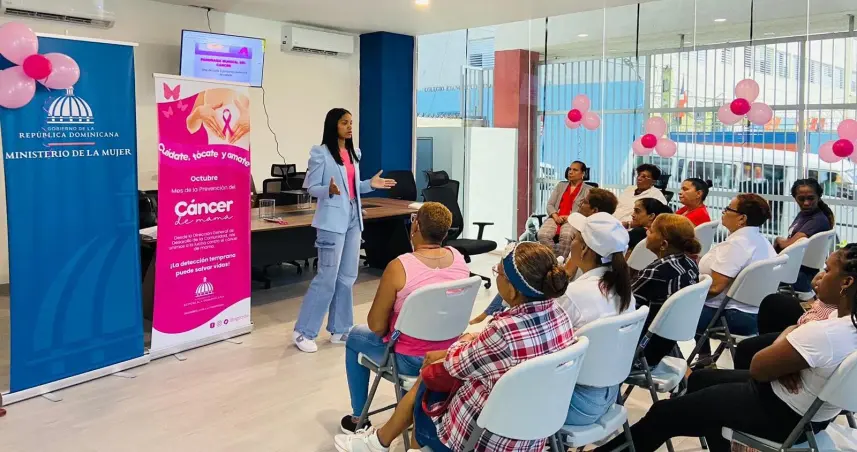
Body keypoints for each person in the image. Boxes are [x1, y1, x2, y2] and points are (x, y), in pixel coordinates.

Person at [595, 244, 857, 452]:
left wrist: (789, 337)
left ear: (846, 283)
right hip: (811, 414)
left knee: (663, 414)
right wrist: (789, 350)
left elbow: (758, 368)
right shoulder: (844, 324)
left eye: (827, 270)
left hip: (781, 412)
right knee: (699, 380)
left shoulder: (825, 333)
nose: (820, 275)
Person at [334, 242, 575, 452]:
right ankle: (378, 441)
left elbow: (454, 366)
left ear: (511, 290)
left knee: (428, 380)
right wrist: (469, 342)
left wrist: (459, 345)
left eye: (498, 272)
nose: (496, 275)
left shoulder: (503, 331)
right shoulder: (560, 316)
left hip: (480, 440)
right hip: (534, 433)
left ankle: (379, 442)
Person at [340, 202, 470, 434]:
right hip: (449, 353)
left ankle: (359, 418)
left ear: (416, 226)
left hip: (409, 359)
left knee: (354, 337)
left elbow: (376, 326)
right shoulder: (459, 259)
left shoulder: (399, 267)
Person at [293, 108, 397, 353]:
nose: (350, 127)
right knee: (327, 277)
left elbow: (353, 187)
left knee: (347, 277)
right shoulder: (320, 153)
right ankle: (303, 331)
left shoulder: (353, 153)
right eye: (344, 123)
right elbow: (311, 187)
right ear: (333, 125)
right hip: (331, 221)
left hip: (353, 218)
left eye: (351, 122)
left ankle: (340, 329)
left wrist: (370, 184)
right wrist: (327, 190)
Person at [469, 188, 619, 325]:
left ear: (584, 249)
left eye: (575, 239)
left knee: (517, 274)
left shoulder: (572, 297)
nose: (580, 204)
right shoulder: (619, 286)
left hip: (561, 284)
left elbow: (567, 273)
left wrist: (546, 271)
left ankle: (494, 316)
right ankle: (491, 313)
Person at [559, 212, 635, 425]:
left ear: (585, 249)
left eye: (575, 238)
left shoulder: (574, 294)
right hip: (609, 396)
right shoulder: (625, 292)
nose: (571, 243)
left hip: (572, 403)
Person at [695, 194, 776, 359]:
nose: (723, 212)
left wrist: (684, 293)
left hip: (730, 316)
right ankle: (704, 359)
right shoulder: (762, 241)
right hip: (754, 313)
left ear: (742, 219)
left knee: (665, 313)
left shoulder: (737, 244)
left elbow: (715, 288)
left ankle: (684, 365)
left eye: (728, 209)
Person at [631, 214, 701, 367]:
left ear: (663, 244)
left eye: (651, 230)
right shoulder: (690, 263)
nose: (647, 232)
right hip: (665, 344)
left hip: (640, 349)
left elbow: (626, 306)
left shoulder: (656, 271)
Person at [733, 270, 837, 370]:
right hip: (812, 316)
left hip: (810, 331)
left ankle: (766, 370)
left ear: (845, 282)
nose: (823, 274)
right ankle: (771, 365)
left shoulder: (833, 324)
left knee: (746, 349)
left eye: (827, 270)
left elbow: (810, 329)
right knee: (773, 303)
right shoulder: (839, 300)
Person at [774, 178, 834, 294]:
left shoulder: (817, 220)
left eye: (811, 198)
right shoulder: (805, 214)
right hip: (797, 270)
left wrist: (778, 240)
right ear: (795, 198)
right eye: (801, 199)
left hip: (799, 276)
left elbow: (787, 245)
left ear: (819, 197)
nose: (806, 203)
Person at [537, 161, 593, 257]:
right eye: (570, 169)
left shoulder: (589, 190)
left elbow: (587, 211)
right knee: (542, 234)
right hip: (556, 217)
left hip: (573, 220)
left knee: (566, 236)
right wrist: (555, 216)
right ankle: (556, 260)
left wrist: (570, 217)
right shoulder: (560, 185)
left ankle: (560, 262)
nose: (570, 172)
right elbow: (550, 205)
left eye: (575, 170)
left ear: (583, 173)